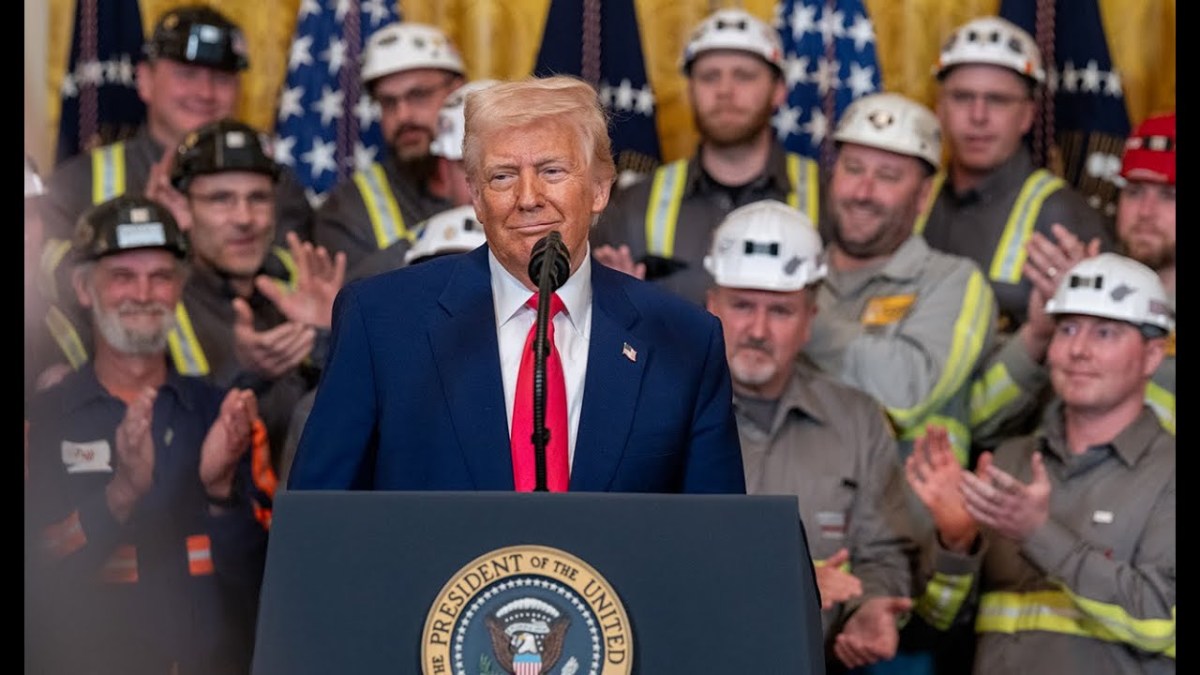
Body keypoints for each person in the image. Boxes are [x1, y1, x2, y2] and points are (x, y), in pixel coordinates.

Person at [287, 75, 746, 494]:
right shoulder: (381, 322)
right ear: (476, 198)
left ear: (600, 189)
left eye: (552, 171)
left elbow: (716, 539)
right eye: (503, 176)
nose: (528, 199)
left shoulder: (684, 340)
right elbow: (318, 522)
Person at [25, 194, 272, 674]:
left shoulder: (227, 416)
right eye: (122, 276)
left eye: (160, 277)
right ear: (83, 288)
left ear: (179, 289)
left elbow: (270, 582)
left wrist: (221, 493)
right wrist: (118, 496)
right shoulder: (43, 422)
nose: (143, 293)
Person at [906, 252, 1175, 674]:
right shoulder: (1009, 460)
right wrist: (957, 543)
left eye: (1105, 333)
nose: (1079, 350)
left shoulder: (1168, 473)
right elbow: (938, 623)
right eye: (1067, 329)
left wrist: (1037, 533)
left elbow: (1161, 622)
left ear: (1153, 355)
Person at [704, 200, 922, 672]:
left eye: (781, 311)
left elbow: (885, 556)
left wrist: (870, 609)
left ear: (810, 320)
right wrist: (793, 583)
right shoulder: (664, 411)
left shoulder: (857, 421)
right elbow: (647, 552)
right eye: (742, 306)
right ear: (711, 305)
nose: (758, 330)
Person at [804, 91, 998, 467]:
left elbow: (906, 390)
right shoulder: (799, 274)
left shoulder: (951, 281)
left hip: (899, 501)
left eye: (887, 176)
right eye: (853, 169)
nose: (863, 192)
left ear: (923, 195)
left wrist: (796, 318)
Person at [968, 111, 1177, 445]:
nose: (1146, 212)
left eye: (1169, 195)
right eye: (1134, 192)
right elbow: (977, 423)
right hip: (1042, 472)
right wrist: (1039, 334)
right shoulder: (1082, 282)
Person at [590, 7, 821, 306]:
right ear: (690, 90)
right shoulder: (632, 205)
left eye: (744, 76)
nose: (724, 90)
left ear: (779, 91)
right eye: (709, 76)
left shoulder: (829, 199)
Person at [40, 4, 313, 251]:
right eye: (187, 75)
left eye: (222, 78)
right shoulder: (77, 184)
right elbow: (47, 277)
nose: (205, 92)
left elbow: (293, 274)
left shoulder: (276, 185)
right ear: (145, 81)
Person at [916, 15, 1111, 335]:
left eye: (997, 100)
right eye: (962, 97)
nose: (978, 116)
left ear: (1027, 115)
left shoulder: (1061, 215)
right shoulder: (916, 196)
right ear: (939, 109)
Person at [312, 21, 468, 277]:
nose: (403, 116)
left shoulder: (516, 174)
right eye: (388, 102)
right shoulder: (349, 209)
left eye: (419, 95)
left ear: (458, 90)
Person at [345, 78, 498, 282]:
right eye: (466, 166)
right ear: (444, 171)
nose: (487, 184)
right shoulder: (422, 249)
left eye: (506, 172)